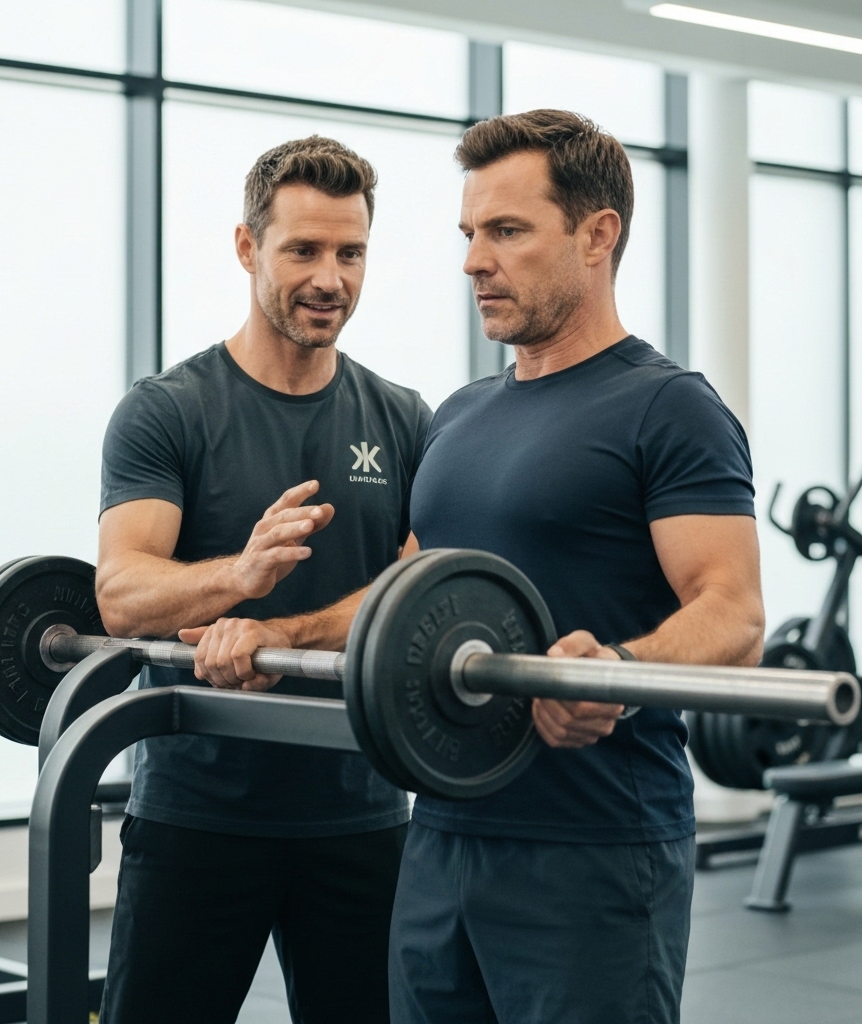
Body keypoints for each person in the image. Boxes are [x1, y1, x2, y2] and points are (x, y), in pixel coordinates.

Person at [193, 110, 764, 1024]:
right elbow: (408, 593)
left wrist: (615, 668)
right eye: (469, 234)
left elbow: (733, 612)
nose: (472, 262)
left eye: (506, 231)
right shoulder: (459, 416)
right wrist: (277, 634)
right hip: (442, 836)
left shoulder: (669, 410)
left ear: (596, 235)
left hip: (592, 843)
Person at [95, 135, 431, 1024]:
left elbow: (419, 596)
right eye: (304, 250)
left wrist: (286, 631)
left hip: (361, 811)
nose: (331, 278)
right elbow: (121, 592)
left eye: (350, 252)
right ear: (248, 249)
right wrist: (238, 577)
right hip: (199, 814)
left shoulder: (402, 418)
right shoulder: (170, 410)